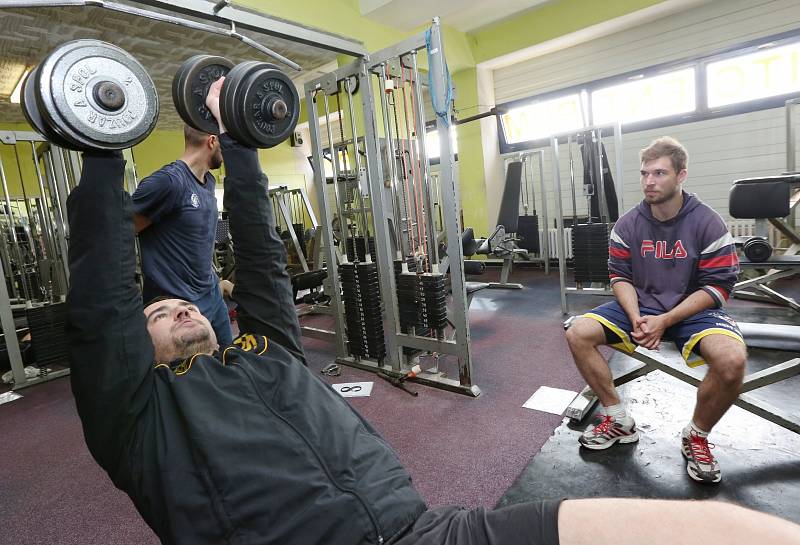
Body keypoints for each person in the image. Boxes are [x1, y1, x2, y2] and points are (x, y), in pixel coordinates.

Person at [65, 83, 800, 545]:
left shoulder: (266, 350)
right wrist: (100, 141)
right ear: (138, 350)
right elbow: (100, 292)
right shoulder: (136, 417)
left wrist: (245, 148)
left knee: (738, 532)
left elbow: (259, 257)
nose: (177, 307)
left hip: (429, 529)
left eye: (179, 302)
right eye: (158, 312)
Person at [565, 136, 746, 484]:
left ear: (681, 175)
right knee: (578, 333)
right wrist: (636, 317)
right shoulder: (629, 224)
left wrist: (664, 321)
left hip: (693, 311)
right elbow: (619, 277)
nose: (649, 181)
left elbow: (719, 286)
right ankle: (618, 419)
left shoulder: (707, 222)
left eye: (660, 173)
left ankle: (696, 435)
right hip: (642, 305)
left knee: (732, 361)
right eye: (645, 173)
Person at [132, 125, 233, 347]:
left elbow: (202, 238)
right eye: (224, 147)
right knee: (192, 376)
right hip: (178, 305)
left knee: (230, 359)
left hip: (211, 293)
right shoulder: (168, 182)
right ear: (212, 141)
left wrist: (218, 282)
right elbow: (122, 233)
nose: (226, 155)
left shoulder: (209, 181)